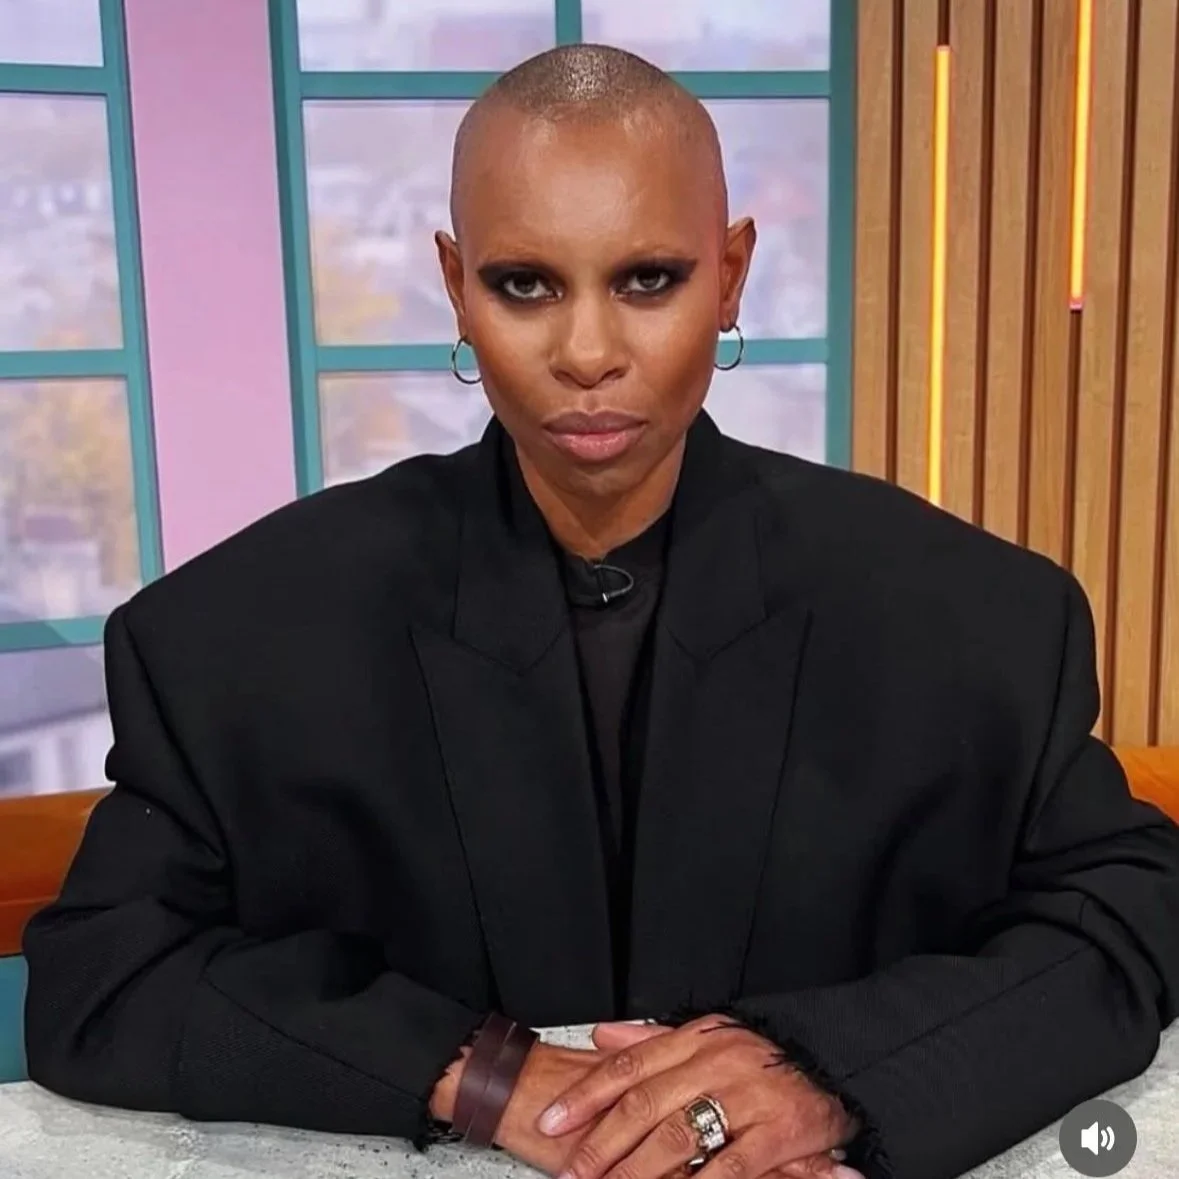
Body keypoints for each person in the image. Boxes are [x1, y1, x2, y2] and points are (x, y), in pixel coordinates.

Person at [21, 42, 1179, 1179]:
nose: (586, 354)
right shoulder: (230, 637)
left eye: (648, 280)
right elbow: (102, 976)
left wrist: (826, 1074)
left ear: (729, 275)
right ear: (454, 284)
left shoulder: (977, 619)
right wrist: (481, 1074)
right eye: (524, 284)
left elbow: (1138, 908)